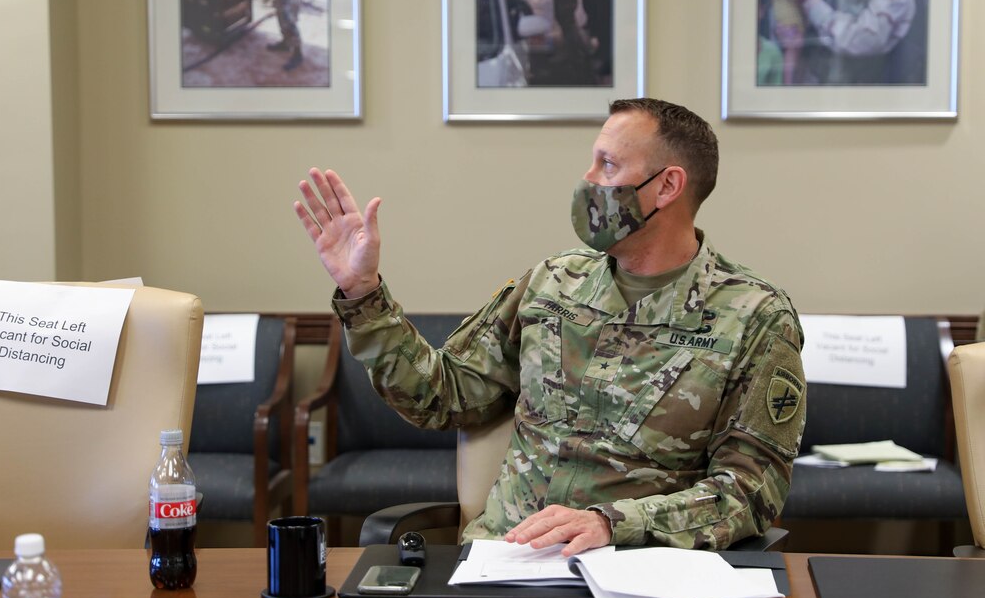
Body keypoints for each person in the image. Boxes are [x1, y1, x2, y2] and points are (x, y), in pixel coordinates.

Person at [293, 98, 807, 557]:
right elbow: (442, 397)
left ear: (668, 186)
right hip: (507, 557)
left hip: (643, 573)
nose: (589, 179)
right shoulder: (552, 283)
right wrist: (363, 294)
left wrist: (612, 525)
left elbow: (749, 491)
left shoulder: (755, 317)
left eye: (607, 164)